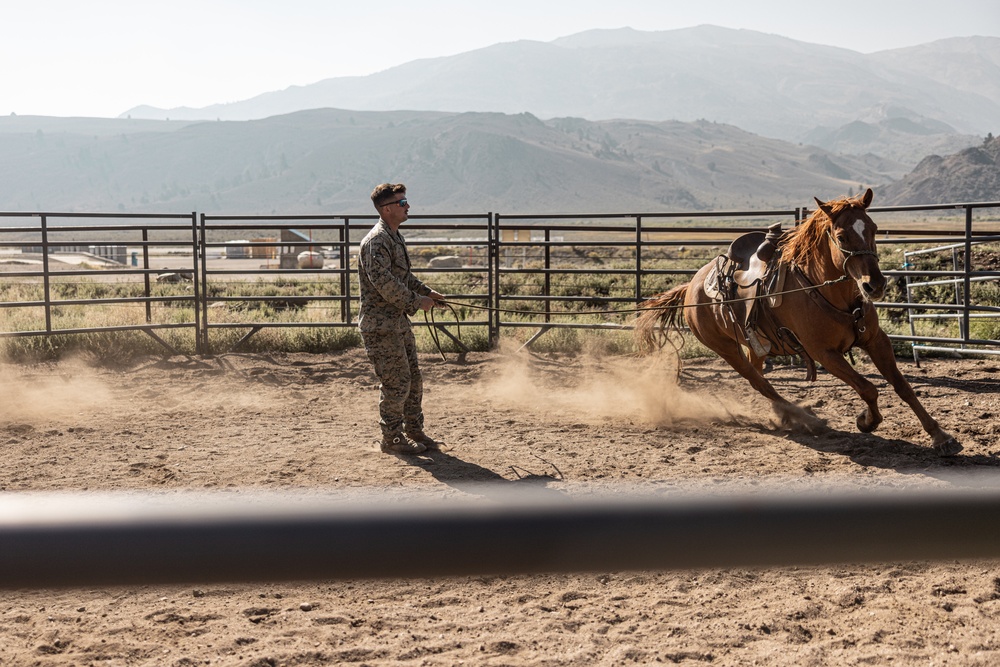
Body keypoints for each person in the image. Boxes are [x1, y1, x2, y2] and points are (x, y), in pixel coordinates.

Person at [358, 183, 445, 455]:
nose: (408, 205)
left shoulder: (393, 237)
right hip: (381, 326)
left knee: (413, 379)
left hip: (396, 323)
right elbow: (384, 283)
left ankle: (414, 430)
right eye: (402, 202)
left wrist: (425, 291)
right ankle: (393, 438)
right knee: (397, 383)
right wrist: (416, 302)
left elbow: (402, 278)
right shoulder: (377, 241)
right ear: (386, 209)